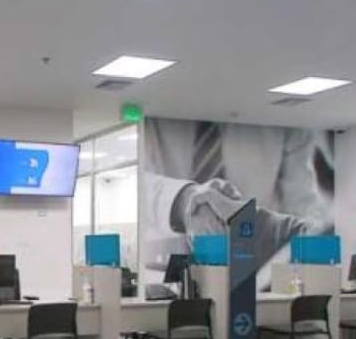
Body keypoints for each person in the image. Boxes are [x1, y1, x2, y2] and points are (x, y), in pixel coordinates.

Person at [141, 118, 333, 289]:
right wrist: (184, 202)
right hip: (168, 272)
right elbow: (136, 185)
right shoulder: (153, 113)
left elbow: (304, 209)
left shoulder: (284, 121)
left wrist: (248, 219)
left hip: (254, 274)